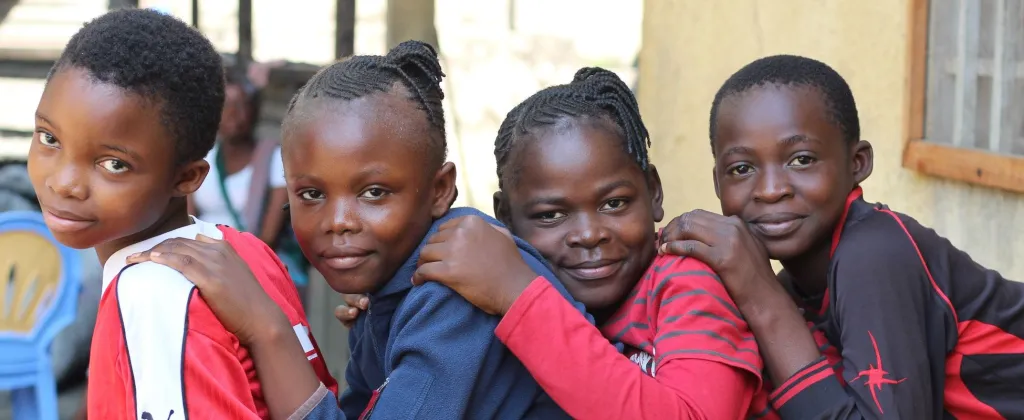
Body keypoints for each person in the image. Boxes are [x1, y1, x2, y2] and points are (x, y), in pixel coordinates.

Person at [128, 40, 590, 419]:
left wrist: (266, 328)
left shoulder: (458, 292)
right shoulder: (388, 291)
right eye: (310, 195)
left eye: (374, 193)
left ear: (439, 190)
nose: (339, 221)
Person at [340, 67, 774, 419]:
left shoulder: (686, 279)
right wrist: (386, 317)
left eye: (615, 203)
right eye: (551, 215)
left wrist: (519, 296)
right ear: (505, 218)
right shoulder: (513, 304)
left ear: (654, 193)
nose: (589, 234)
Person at [656, 54, 1024, 418]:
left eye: (801, 160)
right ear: (718, 183)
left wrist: (761, 295)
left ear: (857, 164)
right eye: (742, 168)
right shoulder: (798, 285)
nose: (770, 190)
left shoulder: (874, 256)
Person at [26, 9, 336, 419]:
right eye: (49, 138)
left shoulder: (151, 294)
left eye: (114, 164)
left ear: (187, 178)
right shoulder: (242, 249)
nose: (64, 183)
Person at [189, 69, 310, 296]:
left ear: (255, 112)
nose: (235, 114)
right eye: (227, 106)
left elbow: (268, 237)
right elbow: (186, 221)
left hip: (251, 267)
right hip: (202, 262)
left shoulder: (273, 159)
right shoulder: (202, 158)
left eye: (243, 105)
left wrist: (227, 268)